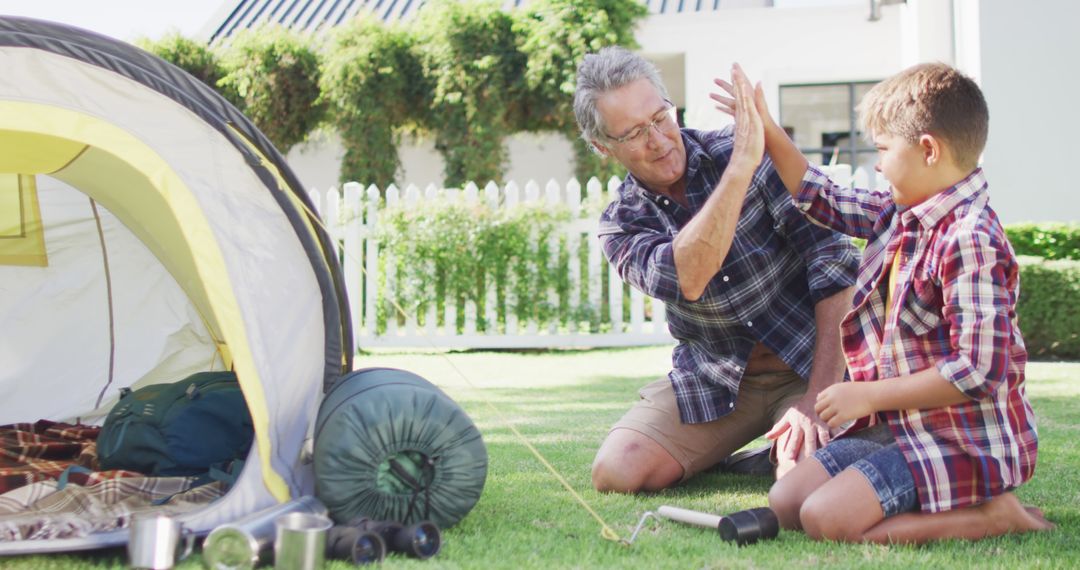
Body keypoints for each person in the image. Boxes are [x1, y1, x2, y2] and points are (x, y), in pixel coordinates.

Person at [712, 62, 1053, 543]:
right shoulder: (901, 214)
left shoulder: (969, 238)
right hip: (903, 429)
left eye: (883, 149)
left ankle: (994, 516)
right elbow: (821, 197)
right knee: (787, 501)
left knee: (827, 521)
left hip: (962, 438)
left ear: (928, 150)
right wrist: (767, 129)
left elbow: (978, 371)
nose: (876, 163)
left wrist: (867, 395)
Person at [573, 46, 859, 494]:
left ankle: (775, 450)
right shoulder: (622, 224)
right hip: (718, 379)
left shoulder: (744, 150)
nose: (659, 140)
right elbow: (690, 275)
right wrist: (739, 171)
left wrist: (818, 397)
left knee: (801, 481)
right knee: (616, 472)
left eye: (660, 118)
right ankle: (735, 451)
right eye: (632, 134)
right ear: (602, 147)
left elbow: (835, 262)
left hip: (810, 363)